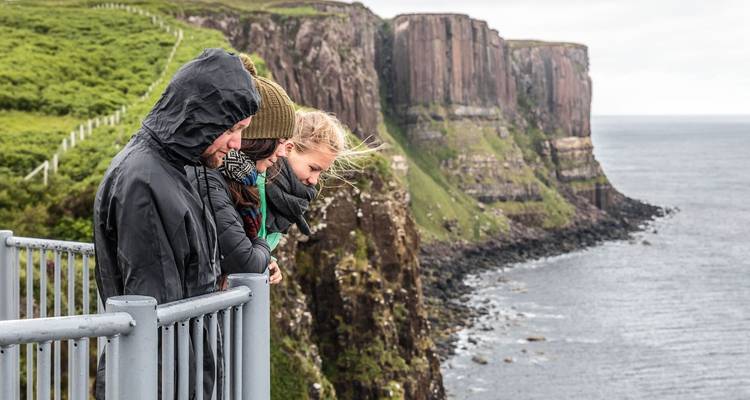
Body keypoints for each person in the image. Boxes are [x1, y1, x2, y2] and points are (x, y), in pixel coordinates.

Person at [92, 48, 260, 399]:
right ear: (199, 116)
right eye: (231, 128)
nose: (237, 144)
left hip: (177, 378)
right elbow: (156, 316)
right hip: (161, 385)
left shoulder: (171, 170)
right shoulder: (146, 181)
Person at [187, 52, 295, 282]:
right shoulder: (213, 180)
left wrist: (266, 257)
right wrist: (262, 249)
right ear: (257, 138)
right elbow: (243, 261)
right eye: (280, 141)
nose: (282, 153)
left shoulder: (240, 181)